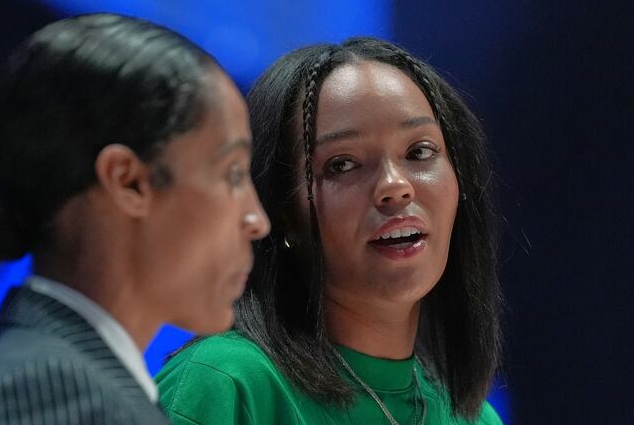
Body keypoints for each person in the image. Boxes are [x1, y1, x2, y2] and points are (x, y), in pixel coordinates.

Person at [0, 13, 269, 425]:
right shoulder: (53, 392)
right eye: (232, 174)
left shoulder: (58, 381)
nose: (257, 220)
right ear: (128, 181)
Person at [156, 37, 502, 424]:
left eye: (419, 152)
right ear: (281, 214)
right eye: (342, 164)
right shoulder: (225, 384)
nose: (395, 186)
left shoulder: (474, 417)